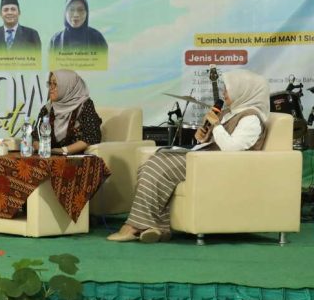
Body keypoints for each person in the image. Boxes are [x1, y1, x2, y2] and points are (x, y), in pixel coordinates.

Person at [107, 69, 270, 243]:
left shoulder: (251, 119)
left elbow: (231, 149)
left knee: (158, 166)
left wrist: (216, 125)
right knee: (152, 163)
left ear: (243, 91)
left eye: (228, 89)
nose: (224, 93)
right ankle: (156, 227)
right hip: (206, 159)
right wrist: (203, 135)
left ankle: (134, 226)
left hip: (218, 167)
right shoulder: (231, 112)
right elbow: (216, 141)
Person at [32, 69, 102, 155]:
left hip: (77, 159)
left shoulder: (84, 105)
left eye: (55, 84)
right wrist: (39, 146)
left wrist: (63, 150)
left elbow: (92, 136)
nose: (51, 88)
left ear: (69, 87)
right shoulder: (47, 109)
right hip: (49, 157)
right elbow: (35, 136)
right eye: (50, 83)